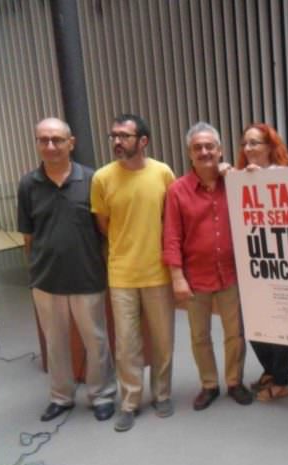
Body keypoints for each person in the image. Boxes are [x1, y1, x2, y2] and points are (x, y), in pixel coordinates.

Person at [17, 118, 116, 422]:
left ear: (71, 143)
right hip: (47, 280)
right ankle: (61, 396)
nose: (50, 146)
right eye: (43, 139)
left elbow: (104, 230)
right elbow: (28, 236)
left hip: (87, 276)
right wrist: (36, 270)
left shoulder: (93, 180)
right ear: (36, 143)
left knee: (96, 340)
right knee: (55, 342)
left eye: (57, 140)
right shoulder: (28, 185)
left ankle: (102, 395)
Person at [91, 114, 176, 432]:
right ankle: (129, 401)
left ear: (143, 141)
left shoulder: (163, 172)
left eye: (124, 136)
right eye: (113, 135)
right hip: (122, 274)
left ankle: (162, 394)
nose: (117, 141)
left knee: (163, 340)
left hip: (158, 272)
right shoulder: (102, 178)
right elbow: (104, 225)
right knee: (127, 344)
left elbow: (171, 220)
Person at [163, 122, 252, 411]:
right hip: (195, 276)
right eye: (197, 148)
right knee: (199, 335)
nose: (204, 151)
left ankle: (235, 381)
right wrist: (177, 277)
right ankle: (209, 384)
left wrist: (236, 174)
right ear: (190, 154)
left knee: (235, 333)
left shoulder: (235, 183)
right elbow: (172, 236)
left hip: (231, 273)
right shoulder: (177, 190)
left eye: (209, 146)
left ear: (220, 150)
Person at [236, 123, 288, 402]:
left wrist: (261, 181)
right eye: (245, 143)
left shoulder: (287, 175)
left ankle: (282, 379)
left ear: (271, 147)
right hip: (253, 262)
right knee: (255, 323)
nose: (248, 149)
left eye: (255, 143)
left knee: (282, 323)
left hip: (283, 261)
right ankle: (271, 370)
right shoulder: (240, 178)